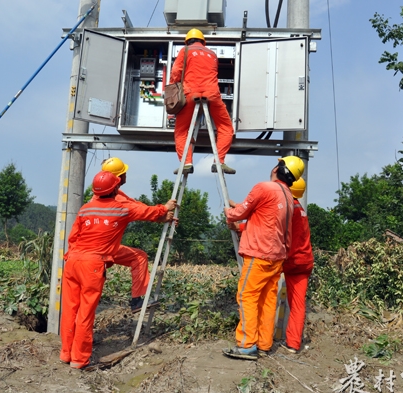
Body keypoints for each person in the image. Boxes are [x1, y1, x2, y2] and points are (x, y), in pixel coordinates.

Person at [60, 171, 177, 369]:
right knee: (85, 314)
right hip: (92, 266)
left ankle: (66, 354)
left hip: (72, 262)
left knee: (70, 310)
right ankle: (79, 360)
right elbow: (148, 213)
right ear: (115, 188)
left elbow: (73, 238)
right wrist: (165, 208)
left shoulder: (85, 209)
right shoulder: (120, 209)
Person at [222, 156, 305, 360]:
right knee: (268, 300)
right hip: (277, 257)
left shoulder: (264, 187)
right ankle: (264, 344)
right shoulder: (287, 195)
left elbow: (238, 213)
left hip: (259, 254)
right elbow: (263, 216)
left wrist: (230, 211)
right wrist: (241, 208)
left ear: (278, 168)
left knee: (246, 296)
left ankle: (246, 344)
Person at [99, 157, 168, 313]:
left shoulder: (114, 192)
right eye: (124, 172)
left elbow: (136, 205)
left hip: (105, 246)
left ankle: (137, 300)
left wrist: (158, 216)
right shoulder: (115, 198)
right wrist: (163, 210)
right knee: (89, 298)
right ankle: (137, 301)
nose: (126, 175)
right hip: (101, 250)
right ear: (118, 177)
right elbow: (135, 209)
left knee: (139, 257)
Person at [169, 28, 235, 175]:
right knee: (226, 127)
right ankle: (219, 161)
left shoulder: (185, 51)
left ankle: (187, 163)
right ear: (203, 41)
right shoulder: (212, 54)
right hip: (212, 93)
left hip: (190, 94)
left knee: (181, 130)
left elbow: (175, 72)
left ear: (187, 40)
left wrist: (173, 88)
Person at [281, 177, 314, 354]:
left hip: (290, 261)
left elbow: (270, 227)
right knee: (298, 304)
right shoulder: (301, 209)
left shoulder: (287, 208)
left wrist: (241, 228)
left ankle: (262, 337)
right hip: (305, 261)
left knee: (264, 295)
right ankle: (293, 343)